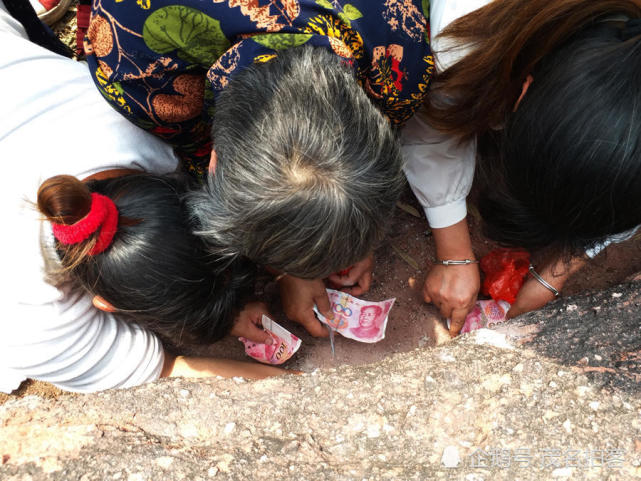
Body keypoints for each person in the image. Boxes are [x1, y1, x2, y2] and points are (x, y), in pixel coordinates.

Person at [82, 0, 481, 337]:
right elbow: (193, 151)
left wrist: (342, 235)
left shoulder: (401, 56)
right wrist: (286, 266)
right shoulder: (131, 60)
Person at [0, 0, 287, 394]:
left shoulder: (150, 118)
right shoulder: (26, 319)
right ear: (105, 303)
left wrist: (287, 273)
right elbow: (165, 368)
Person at [403, 0, 641, 334]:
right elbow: (432, 133)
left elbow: (627, 193)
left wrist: (552, 277)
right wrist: (454, 254)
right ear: (522, 90)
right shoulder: (463, 37)